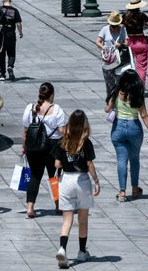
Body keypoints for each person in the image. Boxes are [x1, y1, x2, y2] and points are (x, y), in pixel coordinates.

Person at [53, 110, 100, 268]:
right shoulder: (86, 142)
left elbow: (57, 164)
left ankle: (62, 249)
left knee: (67, 219)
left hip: (66, 180)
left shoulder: (63, 141)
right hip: (82, 180)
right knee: (83, 219)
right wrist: (97, 181)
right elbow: (89, 164)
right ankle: (81, 252)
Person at [104, 69, 148, 202]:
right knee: (134, 159)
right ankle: (134, 188)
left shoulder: (116, 92)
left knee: (121, 160)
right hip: (134, 128)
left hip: (118, 128)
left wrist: (112, 102)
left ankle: (122, 192)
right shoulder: (138, 95)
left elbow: (107, 109)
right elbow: (144, 115)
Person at [22, 82, 66, 217]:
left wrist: (24, 147)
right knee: (54, 177)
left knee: (35, 176)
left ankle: (30, 207)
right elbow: (62, 131)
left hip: (33, 147)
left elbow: (25, 131)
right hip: (53, 147)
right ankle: (58, 205)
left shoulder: (30, 108)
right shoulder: (57, 109)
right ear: (52, 95)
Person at [0, 0, 23, 82]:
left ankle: (2, 74)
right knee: (11, 53)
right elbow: (18, 24)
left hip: (1, 34)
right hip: (10, 33)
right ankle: (10, 66)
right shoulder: (14, 11)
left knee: (1, 53)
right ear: (11, 0)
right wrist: (20, 33)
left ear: (2, 0)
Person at [96, 11, 128, 97]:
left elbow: (127, 43)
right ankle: (110, 103)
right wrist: (104, 49)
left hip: (119, 60)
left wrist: (121, 45)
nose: (113, 28)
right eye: (112, 25)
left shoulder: (122, 30)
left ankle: (119, 101)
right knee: (109, 83)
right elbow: (98, 41)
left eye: (115, 25)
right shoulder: (105, 29)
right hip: (108, 60)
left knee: (120, 82)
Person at [122, 0, 148, 82]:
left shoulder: (125, 16)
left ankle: (130, 88)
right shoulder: (142, 15)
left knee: (129, 66)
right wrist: (144, 25)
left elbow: (121, 28)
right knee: (141, 67)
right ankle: (140, 90)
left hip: (130, 42)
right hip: (141, 42)